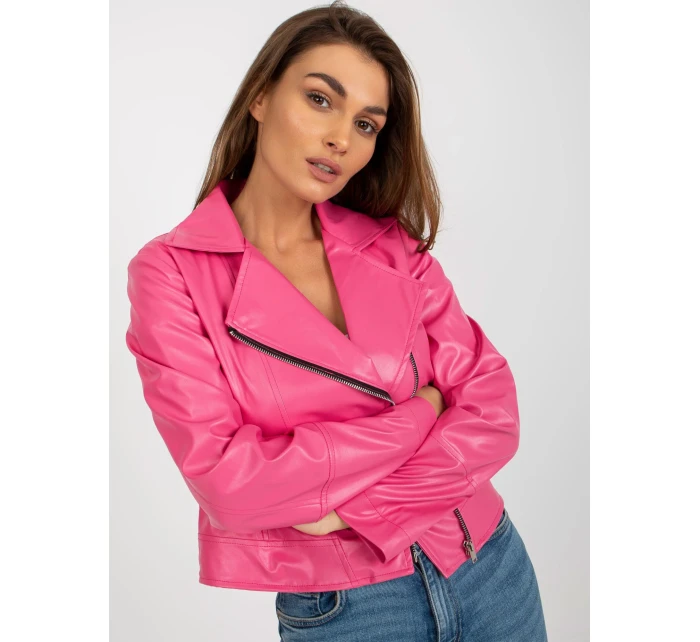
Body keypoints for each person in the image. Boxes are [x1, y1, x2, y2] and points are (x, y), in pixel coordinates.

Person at [125, 2, 548, 640]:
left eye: (366, 123)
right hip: (350, 611)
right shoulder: (172, 273)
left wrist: (358, 507)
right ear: (261, 96)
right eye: (321, 99)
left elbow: (493, 409)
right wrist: (422, 413)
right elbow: (230, 485)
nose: (341, 139)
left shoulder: (390, 246)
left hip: (488, 564)